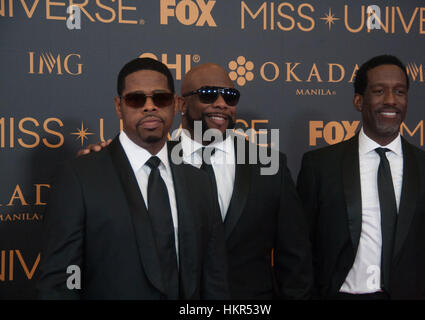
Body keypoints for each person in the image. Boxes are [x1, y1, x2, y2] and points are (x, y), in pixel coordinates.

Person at [79, 63, 313, 300]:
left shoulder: (269, 165)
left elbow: (295, 259)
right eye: (208, 94)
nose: (221, 103)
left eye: (230, 97)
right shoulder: (150, 161)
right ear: (180, 104)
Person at [37, 58, 229, 300]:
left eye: (160, 98)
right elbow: (58, 283)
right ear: (119, 106)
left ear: (176, 104)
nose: (150, 107)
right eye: (136, 99)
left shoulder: (199, 182)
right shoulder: (79, 178)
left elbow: (214, 280)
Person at [297, 54, 425, 300]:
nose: (391, 100)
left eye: (400, 92)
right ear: (359, 101)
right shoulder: (320, 167)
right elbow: (300, 251)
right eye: (379, 91)